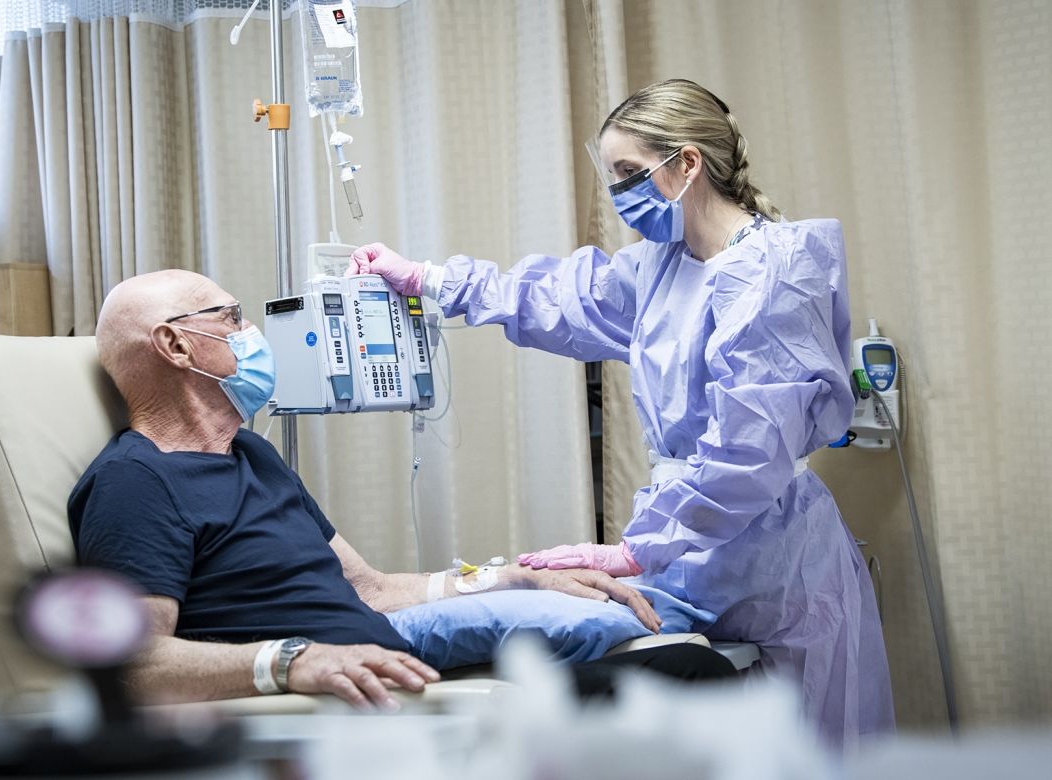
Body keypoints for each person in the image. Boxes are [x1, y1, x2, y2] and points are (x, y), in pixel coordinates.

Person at [347, 78, 894, 746]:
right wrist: (431, 279)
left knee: (798, 741)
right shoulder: (660, 268)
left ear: (687, 163)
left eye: (631, 173)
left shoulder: (772, 274)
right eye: (612, 176)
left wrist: (639, 549)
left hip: (774, 561)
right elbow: (554, 299)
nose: (618, 194)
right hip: (689, 550)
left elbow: (748, 454)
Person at [71, 268, 712, 711]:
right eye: (231, 317)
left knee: (684, 662)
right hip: (345, 712)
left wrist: (513, 577)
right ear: (177, 344)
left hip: (400, 667)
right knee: (688, 681)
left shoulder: (252, 455)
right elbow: (128, 664)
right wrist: (289, 662)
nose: (250, 332)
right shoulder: (136, 483)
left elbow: (372, 590)